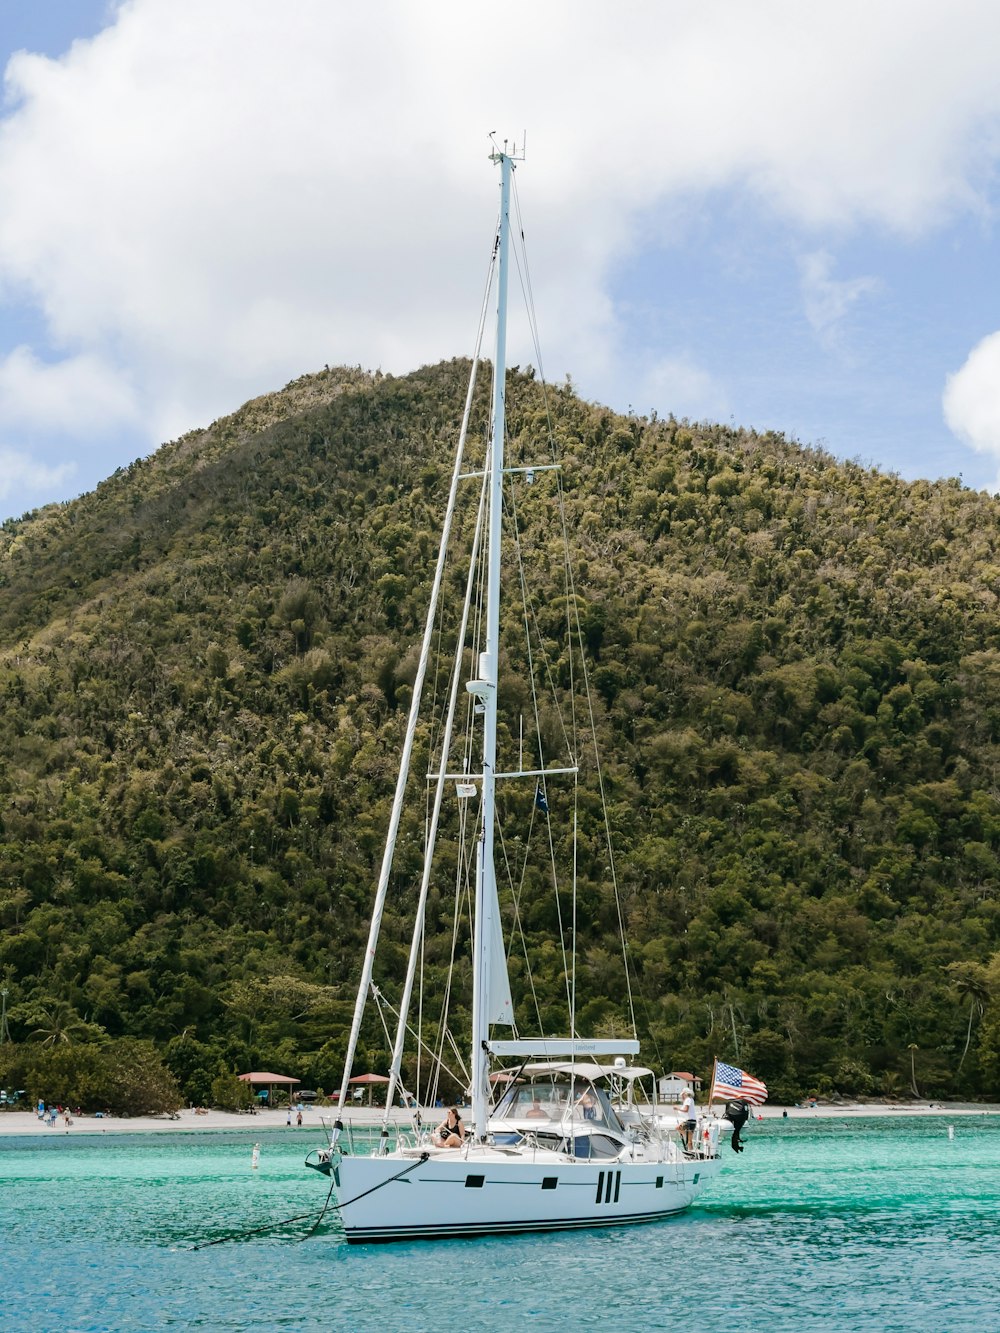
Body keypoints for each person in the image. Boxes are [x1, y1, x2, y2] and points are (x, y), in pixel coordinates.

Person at [678, 1087, 697, 1152]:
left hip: (690, 1121)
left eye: (682, 1095)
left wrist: (677, 1108)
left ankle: (688, 1137)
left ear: (685, 1094)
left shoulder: (688, 1099)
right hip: (692, 1121)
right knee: (689, 1141)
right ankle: (691, 1151)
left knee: (678, 1128)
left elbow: (686, 1110)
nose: (682, 1096)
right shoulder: (691, 1099)